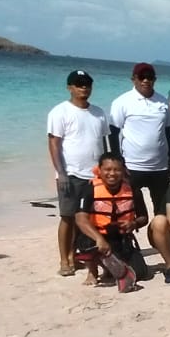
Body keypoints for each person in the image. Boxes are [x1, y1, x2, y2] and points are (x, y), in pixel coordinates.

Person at [47, 69, 108, 277]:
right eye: (79, 84)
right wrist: (61, 173)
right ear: (69, 87)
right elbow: (54, 143)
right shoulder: (60, 112)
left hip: (96, 175)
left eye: (87, 84)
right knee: (67, 217)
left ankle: (77, 255)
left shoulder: (99, 113)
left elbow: (104, 142)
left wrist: (109, 169)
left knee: (89, 219)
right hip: (71, 174)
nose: (84, 88)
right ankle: (65, 260)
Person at [73, 152, 152, 289]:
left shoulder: (133, 189)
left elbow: (144, 217)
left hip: (121, 237)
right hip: (96, 236)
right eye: (107, 169)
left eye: (117, 170)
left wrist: (134, 223)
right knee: (84, 239)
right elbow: (80, 219)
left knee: (141, 273)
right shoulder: (89, 189)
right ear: (99, 170)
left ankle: (110, 268)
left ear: (123, 171)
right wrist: (99, 239)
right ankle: (93, 271)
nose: (112, 174)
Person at [108, 62, 170, 215]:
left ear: (154, 80)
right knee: (131, 214)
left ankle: (158, 238)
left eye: (149, 77)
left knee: (162, 214)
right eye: (142, 77)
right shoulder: (122, 102)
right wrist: (118, 161)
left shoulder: (162, 101)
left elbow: (168, 130)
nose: (146, 80)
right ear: (134, 79)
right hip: (131, 167)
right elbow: (113, 133)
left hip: (159, 168)